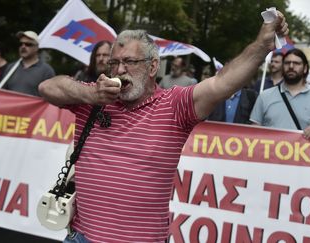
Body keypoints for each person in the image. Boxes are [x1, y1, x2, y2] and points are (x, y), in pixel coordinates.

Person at [38, 12, 288, 242]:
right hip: (83, 236)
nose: (120, 70)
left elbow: (222, 84)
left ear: (153, 67)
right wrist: (90, 95)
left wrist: (261, 46)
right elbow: (48, 87)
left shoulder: (173, 105)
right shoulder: (95, 97)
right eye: (114, 63)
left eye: (129, 61)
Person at [250, 48, 310, 139]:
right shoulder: (265, 96)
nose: (291, 66)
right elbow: (254, 129)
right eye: (287, 63)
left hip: (304, 152)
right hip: (270, 152)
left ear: (305, 68)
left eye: (296, 63)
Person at [3, 30, 55, 96]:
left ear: (36, 48)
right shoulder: (10, 67)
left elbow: (50, 97)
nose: (23, 47)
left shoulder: (46, 70)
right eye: (20, 44)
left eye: (28, 44)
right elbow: (3, 93)